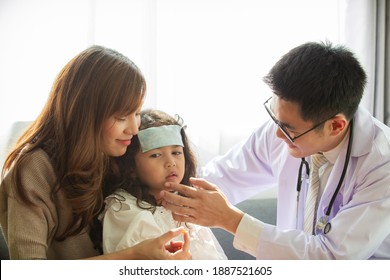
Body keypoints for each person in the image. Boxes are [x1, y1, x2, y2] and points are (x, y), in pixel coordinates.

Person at [158, 41, 390, 259]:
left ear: (336, 126)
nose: (278, 135)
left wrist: (230, 219)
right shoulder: (283, 130)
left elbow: (331, 257)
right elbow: (223, 177)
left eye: (289, 128)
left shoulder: (382, 164)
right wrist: (162, 191)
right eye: (275, 118)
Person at [0, 45, 190, 260]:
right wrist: (133, 257)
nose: (134, 129)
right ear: (85, 113)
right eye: (121, 117)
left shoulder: (111, 156)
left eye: (136, 113)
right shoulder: (33, 169)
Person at [101, 109, 227, 260]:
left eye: (176, 152)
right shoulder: (123, 208)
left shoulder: (189, 204)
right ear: (131, 167)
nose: (171, 163)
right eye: (156, 155)